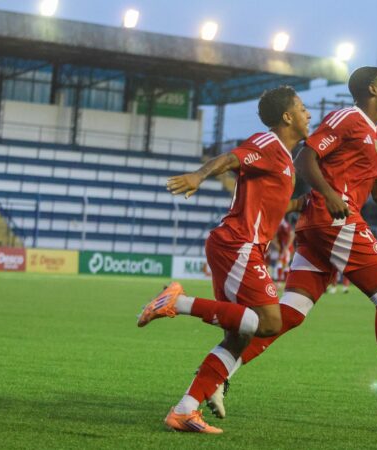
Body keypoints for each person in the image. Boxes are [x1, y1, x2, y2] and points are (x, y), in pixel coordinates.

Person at [232, 67, 377, 419]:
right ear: (372, 89)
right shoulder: (347, 118)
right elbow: (305, 157)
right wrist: (330, 194)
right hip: (335, 219)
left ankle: (220, 371)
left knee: (291, 312)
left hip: (320, 226)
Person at [137, 86, 310, 433]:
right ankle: (176, 302)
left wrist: (303, 204)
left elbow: (272, 206)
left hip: (242, 247)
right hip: (238, 245)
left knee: (238, 336)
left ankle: (184, 410)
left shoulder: (284, 161)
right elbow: (232, 158)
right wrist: (198, 176)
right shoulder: (268, 143)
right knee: (269, 323)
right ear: (287, 116)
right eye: (303, 108)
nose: (309, 114)